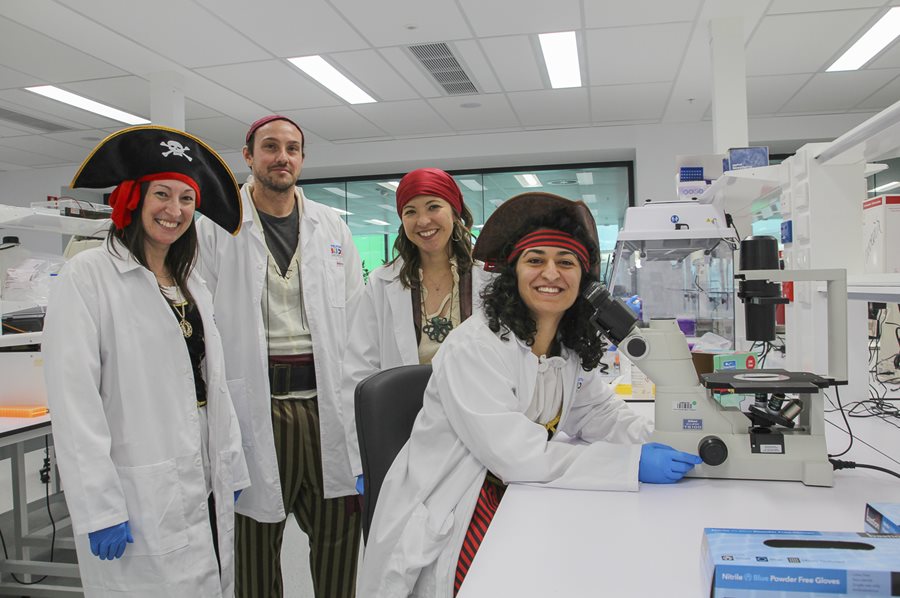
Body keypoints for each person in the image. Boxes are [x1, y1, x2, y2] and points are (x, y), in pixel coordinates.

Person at [358, 192, 701, 597]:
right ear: (514, 273)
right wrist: (629, 464)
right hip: (458, 499)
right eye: (535, 260)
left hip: (518, 487)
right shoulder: (476, 345)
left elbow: (598, 414)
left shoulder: (567, 344)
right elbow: (515, 454)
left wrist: (666, 440)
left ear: (584, 279)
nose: (550, 273)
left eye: (566, 262)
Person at [42, 126, 250, 597]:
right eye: (162, 194)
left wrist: (231, 463)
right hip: (137, 479)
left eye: (186, 198)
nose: (174, 211)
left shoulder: (190, 281)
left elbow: (214, 382)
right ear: (134, 198)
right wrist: (99, 507)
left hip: (205, 467)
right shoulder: (88, 277)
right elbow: (75, 404)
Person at [196, 115, 364, 598]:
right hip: (255, 408)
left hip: (324, 407)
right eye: (270, 147)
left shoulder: (331, 227)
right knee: (254, 548)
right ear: (248, 156)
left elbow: (354, 322)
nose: (282, 157)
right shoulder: (214, 228)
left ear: (303, 159)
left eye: (293, 148)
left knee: (338, 540)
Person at [341, 167, 492, 494]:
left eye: (433, 206)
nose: (423, 221)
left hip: (477, 429)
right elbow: (358, 373)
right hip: (405, 429)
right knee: (408, 535)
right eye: (410, 211)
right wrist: (362, 456)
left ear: (455, 211)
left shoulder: (490, 282)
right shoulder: (383, 284)